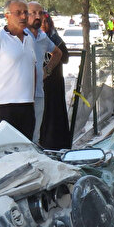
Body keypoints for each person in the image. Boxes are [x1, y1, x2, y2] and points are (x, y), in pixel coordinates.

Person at [0, 0, 37, 139]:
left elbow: (32, 68)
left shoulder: (29, 39)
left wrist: (32, 97)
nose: (23, 16)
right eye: (18, 13)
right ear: (7, 16)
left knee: (26, 148)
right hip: (3, 106)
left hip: (27, 105)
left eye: (25, 12)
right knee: (6, 151)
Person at [27, 1, 63, 141]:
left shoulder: (43, 37)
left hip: (38, 93)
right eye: (33, 13)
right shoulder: (19, 35)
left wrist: (46, 71)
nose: (37, 16)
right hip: (20, 94)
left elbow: (58, 53)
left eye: (40, 13)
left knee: (35, 135)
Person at [38, 12, 72, 149]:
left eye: (46, 23)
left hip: (54, 83)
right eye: (41, 22)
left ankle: (56, 144)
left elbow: (65, 58)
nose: (44, 25)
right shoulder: (33, 38)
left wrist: (51, 60)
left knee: (55, 113)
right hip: (40, 84)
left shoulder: (54, 38)